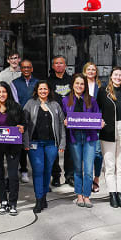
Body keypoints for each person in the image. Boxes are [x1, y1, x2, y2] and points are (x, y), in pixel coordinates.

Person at [22, 82, 65, 214]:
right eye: (40, 89)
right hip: (35, 144)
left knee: (47, 171)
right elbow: (24, 123)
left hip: (51, 144)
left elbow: (61, 125)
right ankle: (39, 199)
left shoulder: (55, 104)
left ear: (49, 90)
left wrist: (62, 143)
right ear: (36, 91)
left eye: (45, 89)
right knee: (38, 171)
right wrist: (26, 142)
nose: (43, 91)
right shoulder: (30, 104)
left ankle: (44, 196)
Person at [0, 83, 24, 216]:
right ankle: (3, 201)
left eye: (4, 92)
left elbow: (23, 124)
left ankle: (13, 202)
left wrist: (22, 128)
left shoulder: (16, 107)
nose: (1, 94)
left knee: (13, 176)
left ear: (8, 93)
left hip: (13, 146)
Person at [62, 74, 99, 208]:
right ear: (72, 84)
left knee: (88, 169)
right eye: (77, 83)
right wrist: (64, 122)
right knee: (77, 168)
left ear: (85, 86)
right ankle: (79, 195)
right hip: (74, 137)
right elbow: (63, 117)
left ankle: (87, 195)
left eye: (82, 84)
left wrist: (100, 122)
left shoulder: (92, 100)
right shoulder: (66, 100)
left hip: (90, 137)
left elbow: (97, 116)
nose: (79, 86)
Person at [98, 67, 121, 209]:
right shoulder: (103, 91)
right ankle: (112, 193)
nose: (118, 77)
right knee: (110, 164)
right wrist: (99, 122)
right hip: (108, 131)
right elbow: (96, 109)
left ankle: (120, 193)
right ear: (111, 76)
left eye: (120, 75)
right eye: (115, 75)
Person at [47, 55, 74, 188]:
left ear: (65, 65)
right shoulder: (48, 81)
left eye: (61, 63)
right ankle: (56, 175)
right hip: (54, 118)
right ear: (53, 66)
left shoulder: (71, 80)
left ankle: (69, 175)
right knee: (54, 148)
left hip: (70, 119)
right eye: (56, 63)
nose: (59, 65)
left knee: (69, 148)